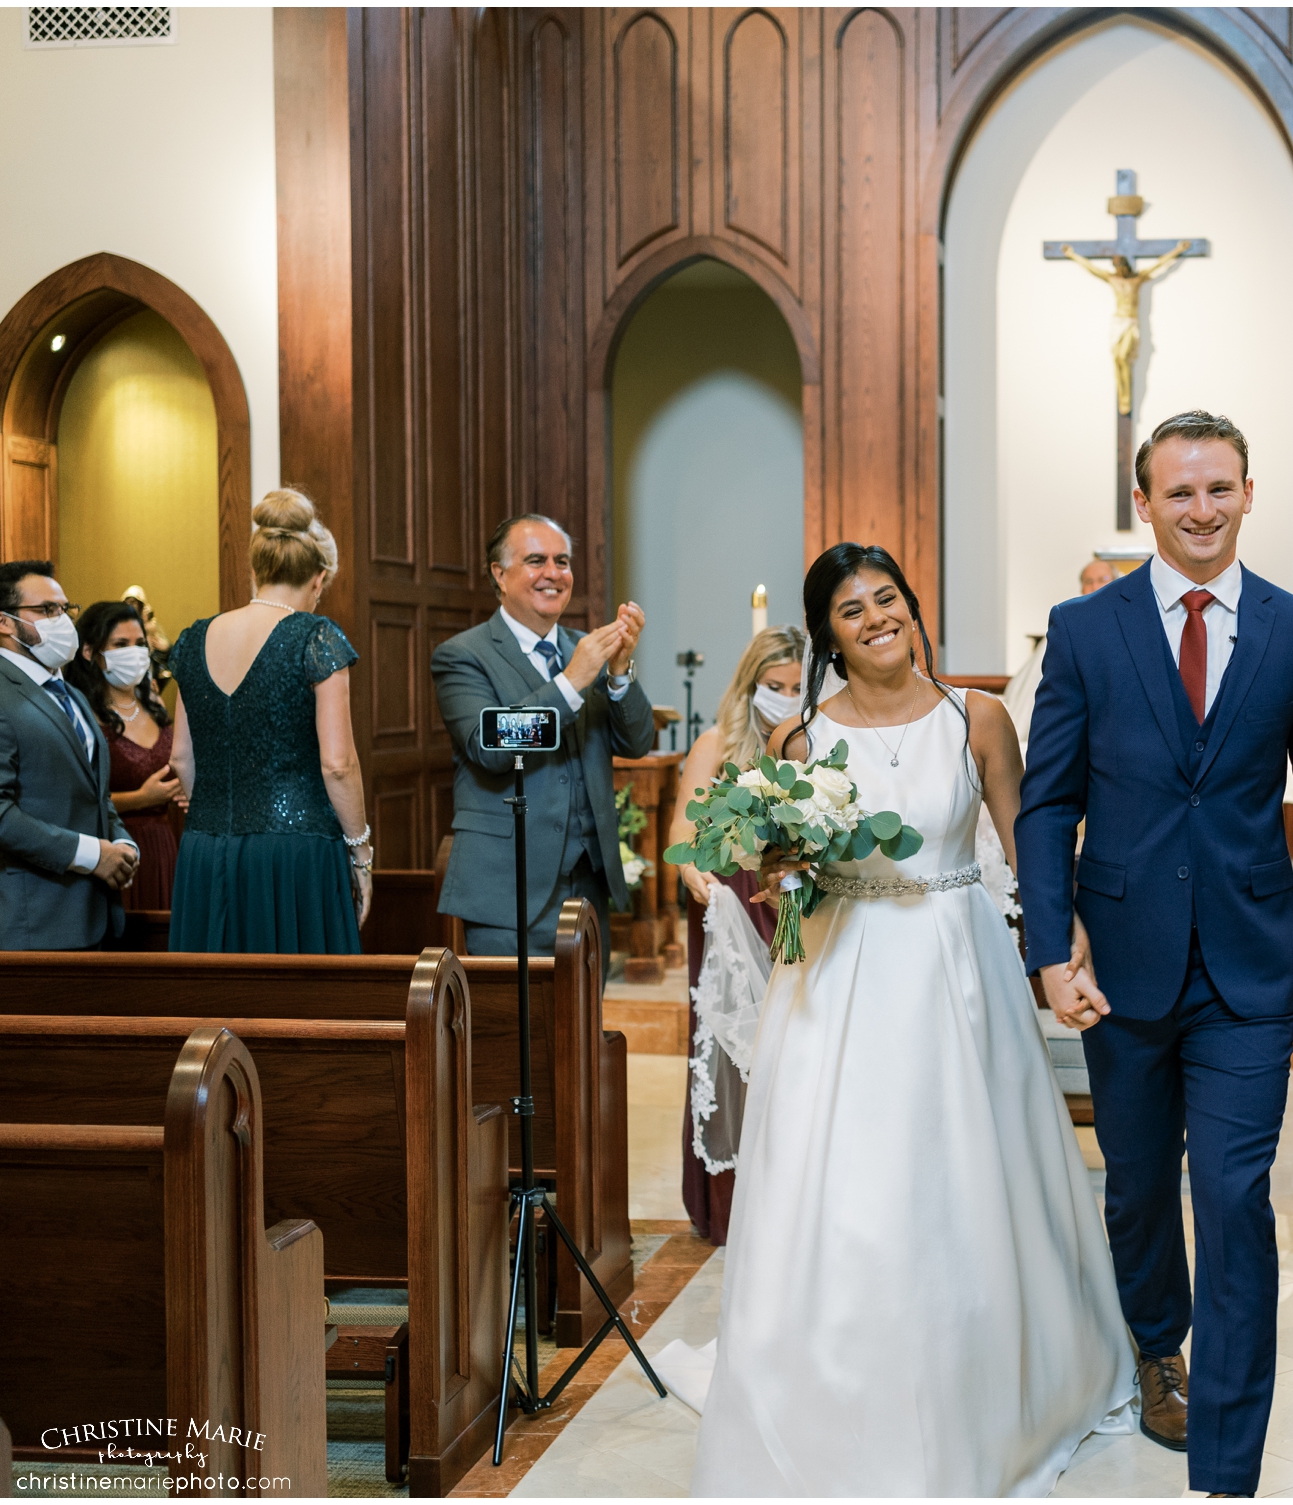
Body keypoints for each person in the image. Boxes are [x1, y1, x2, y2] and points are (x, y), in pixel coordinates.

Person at [692, 544, 1132, 1496]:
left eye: (887, 599)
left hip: (955, 962)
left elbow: (1027, 843)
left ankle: (991, 1378)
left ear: (911, 605)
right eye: (852, 611)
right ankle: (840, 1384)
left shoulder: (977, 718)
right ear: (828, 635)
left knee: (961, 1167)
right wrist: (778, 862)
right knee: (849, 1179)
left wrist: (1066, 943)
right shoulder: (799, 743)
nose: (877, 618)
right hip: (843, 976)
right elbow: (785, 873)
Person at [1018, 410, 1293, 1495]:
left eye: (1217, 488)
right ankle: (1155, 1344)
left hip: (1246, 960)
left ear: (1246, 491)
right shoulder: (1084, 630)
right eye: (1177, 492)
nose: (1199, 509)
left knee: (1231, 1194)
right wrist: (1051, 944)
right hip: (1122, 955)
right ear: (1145, 503)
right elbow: (1046, 804)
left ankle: (1227, 1463)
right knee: (1135, 1185)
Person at [432, 515, 654, 954]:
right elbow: (488, 745)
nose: (553, 573)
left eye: (562, 561)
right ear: (500, 573)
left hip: (588, 886)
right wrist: (572, 682)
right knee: (517, 1023)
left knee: (585, 1022)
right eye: (536, 561)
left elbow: (636, 743)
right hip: (508, 888)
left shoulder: (585, 649)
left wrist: (618, 672)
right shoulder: (462, 655)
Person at [167, 491, 371, 952]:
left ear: (255, 572)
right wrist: (360, 852)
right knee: (296, 1002)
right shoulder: (316, 636)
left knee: (215, 998)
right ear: (318, 579)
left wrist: (221, 811)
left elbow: (181, 757)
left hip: (204, 849)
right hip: (295, 854)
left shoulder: (194, 637)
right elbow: (337, 764)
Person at [665, 623, 806, 1245]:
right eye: (774, 686)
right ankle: (730, 1202)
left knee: (799, 1048)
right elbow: (682, 838)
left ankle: (798, 1196)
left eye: (798, 686)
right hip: (733, 908)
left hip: (798, 908)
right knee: (736, 1049)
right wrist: (699, 877)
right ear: (751, 684)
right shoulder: (718, 743)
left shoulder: (821, 738)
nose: (785, 696)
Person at [0, 561, 138, 948]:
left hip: (96, 913)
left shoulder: (71, 694)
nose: (62, 620)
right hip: (33, 921)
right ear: (2, 622)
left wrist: (122, 845)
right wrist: (91, 854)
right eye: (47, 610)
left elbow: (93, 793)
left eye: (65, 609)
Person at [66, 599, 185, 909]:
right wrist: (141, 798)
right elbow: (73, 800)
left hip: (166, 844)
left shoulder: (155, 704)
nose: (134, 653)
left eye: (140, 644)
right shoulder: (80, 713)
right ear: (90, 652)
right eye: (121, 644)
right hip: (114, 850)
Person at [1000, 556, 1118, 745]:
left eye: (1103, 580)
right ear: (1081, 589)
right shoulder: (1065, 628)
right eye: (1089, 581)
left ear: (1116, 583)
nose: (1095, 586)